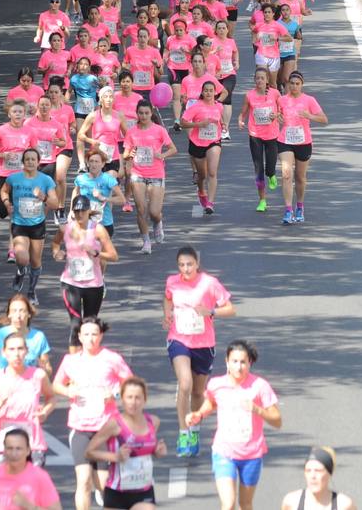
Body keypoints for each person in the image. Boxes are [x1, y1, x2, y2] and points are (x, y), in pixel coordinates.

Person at [188, 340, 282, 510]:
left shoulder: (260, 386)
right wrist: (199, 414)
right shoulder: (217, 384)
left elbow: (277, 420)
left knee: (245, 504)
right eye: (235, 362)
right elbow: (211, 402)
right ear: (227, 362)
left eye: (243, 362)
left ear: (250, 363)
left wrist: (257, 409)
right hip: (225, 452)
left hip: (252, 454)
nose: (239, 367)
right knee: (228, 503)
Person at [51, 317, 133, 510]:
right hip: (80, 428)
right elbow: (56, 384)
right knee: (83, 481)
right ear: (79, 336)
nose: (90, 338)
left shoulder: (112, 359)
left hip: (105, 429)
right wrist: (68, 391)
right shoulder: (70, 361)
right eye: (86, 334)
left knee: (104, 484)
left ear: (101, 335)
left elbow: (130, 383)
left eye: (94, 334)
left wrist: (113, 394)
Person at [165, 246, 235, 458]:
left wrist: (210, 311)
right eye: (181, 265)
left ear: (197, 264)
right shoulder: (172, 282)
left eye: (189, 264)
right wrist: (167, 313)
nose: (185, 269)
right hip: (178, 339)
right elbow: (168, 298)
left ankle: (194, 430)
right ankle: (183, 433)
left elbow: (230, 309)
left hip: (204, 343)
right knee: (184, 383)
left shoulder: (209, 283)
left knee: (197, 392)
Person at [86, 376, 167, 510]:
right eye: (129, 397)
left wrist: (157, 451)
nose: (133, 402)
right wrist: (115, 457)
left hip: (144, 490)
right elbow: (89, 452)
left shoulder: (153, 422)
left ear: (144, 400)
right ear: (122, 400)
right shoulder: (114, 425)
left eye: (137, 398)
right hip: (117, 492)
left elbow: (145, 449)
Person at [0, 332, 56, 466]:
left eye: (20, 349)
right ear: (4, 352)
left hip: (33, 446)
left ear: (27, 351)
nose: (17, 354)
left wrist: (45, 412)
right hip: (4, 448)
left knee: (31, 487)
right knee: (5, 487)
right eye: (12, 349)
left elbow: (51, 398)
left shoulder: (38, 375)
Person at [2, 150, 60, 305]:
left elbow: (55, 204)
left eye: (33, 159)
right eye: (27, 159)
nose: (30, 162)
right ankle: (21, 270)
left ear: (38, 162)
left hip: (37, 225)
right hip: (19, 224)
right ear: (23, 162)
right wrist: (7, 203)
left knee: (35, 262)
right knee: (22, 257)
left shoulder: (46, 180)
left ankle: (31, 290)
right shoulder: (13, 178)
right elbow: (4, 191)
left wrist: (44, 197)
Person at [51, 198, 117, 323]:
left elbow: (113, 256)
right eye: (76, 211)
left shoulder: (98, 230)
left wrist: (96, 253)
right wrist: (56, 253)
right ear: (73, 212)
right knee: (75, 325)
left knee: (90, 325)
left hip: (94, 284)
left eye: (83, 210)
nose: (80, 214)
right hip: (70, 284)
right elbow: (55, 242)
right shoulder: (66, 228)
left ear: (88, 211)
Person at [123, 101, 175, 255]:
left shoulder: (159, 130)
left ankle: (158, 223)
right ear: (137, 114)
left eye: (146, 113)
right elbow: (126, 154)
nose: (144, 116)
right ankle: (146, 240)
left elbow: (173, 149)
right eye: (141, 113)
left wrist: (162, 155)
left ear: (151, 113)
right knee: (140, 209)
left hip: (156, 174)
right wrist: (130, 154)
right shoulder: (132, 132)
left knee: (154, 212)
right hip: (137, 173)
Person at [278, 71, 328, 225]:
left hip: (304, 142)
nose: (294, 86)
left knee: (300, 177)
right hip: (285, 140)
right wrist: (277, 118)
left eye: (297, 84)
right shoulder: (281, 100)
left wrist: (309, 116)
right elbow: (277, 116)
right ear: (288, 85)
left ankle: (299, 206)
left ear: (302, 85)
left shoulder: (309, 100)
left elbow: (324, 119)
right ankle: (288, 210)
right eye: (291, 83)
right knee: (286, 174)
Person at [0, 429, 62, 510]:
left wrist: (29, 506)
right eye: (10, 448)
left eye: (18, 449)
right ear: (4, 451)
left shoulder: (40, 476)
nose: (14, 453)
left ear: (28, 451)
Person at [240, 69, 283, 214]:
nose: (259, 81)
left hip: (272, 135)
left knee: (269, 167)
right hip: (255, 134)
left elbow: (282, 110)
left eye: (262, 78)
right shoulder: (249, 95)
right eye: (257, 78)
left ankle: (271, 174)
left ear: (267, 80)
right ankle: (262, 200)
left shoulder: (275, 93)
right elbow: (243, 112)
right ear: (254, 80)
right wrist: (240, 121)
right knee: (258, 168)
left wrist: (275, 115)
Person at [0, 294, 53, 379]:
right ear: (9, 314)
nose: (18, 316)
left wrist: (45, 370)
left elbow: (48, 369)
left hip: (29, 387)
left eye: (22, 311)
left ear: (29, 314)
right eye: (14, 311)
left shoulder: (39, 337)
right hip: (5, 388)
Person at [180, 81, 225, 216]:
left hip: (214, 142)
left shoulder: (219, 106)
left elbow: (219, 120)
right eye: (206, 90)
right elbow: (183, 123)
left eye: (211, 90)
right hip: (197, 143)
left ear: (215, 92)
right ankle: (201, 192)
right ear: (202, 92)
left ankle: (210, 203)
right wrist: (199, 124)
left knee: (212, 172)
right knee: (202, 175)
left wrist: (223, 125)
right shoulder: (195, 107)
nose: (209, 93)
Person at [280, 447, 356, 510]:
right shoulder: (291, 502)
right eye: (308, 470)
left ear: (329, 473)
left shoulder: (344, 505)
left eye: (318, 471)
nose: (313, 476)